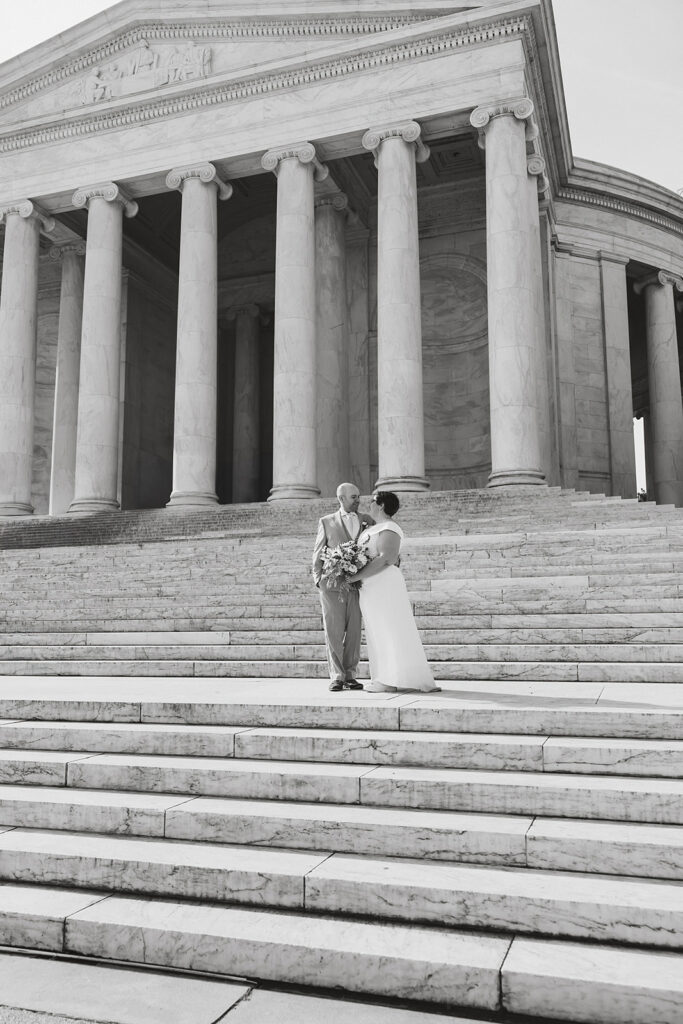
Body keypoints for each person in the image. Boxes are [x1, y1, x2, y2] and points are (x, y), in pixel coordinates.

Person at [352, 491, 440, 694]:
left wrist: (354, 577)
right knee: (376, 630)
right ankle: (383, 677)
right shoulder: (371, 528)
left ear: (381, 505)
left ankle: (389, 680)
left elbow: (386, 558)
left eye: (372, 501)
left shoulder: (390, 527)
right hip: (369, 585)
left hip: (384, 583)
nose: (369, 504)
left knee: (389, 627)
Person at [312, 482, 375, 692]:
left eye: (358, 496)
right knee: (334, 631)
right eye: (354, 497)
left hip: (359, 585)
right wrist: (318, 579)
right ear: (341, 499)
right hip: (331, 585)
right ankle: (336, 676)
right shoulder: (326, 521)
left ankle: (351, 674)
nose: (358, 500)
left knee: (355, 631)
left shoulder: (367, 520)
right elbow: (318, 552)